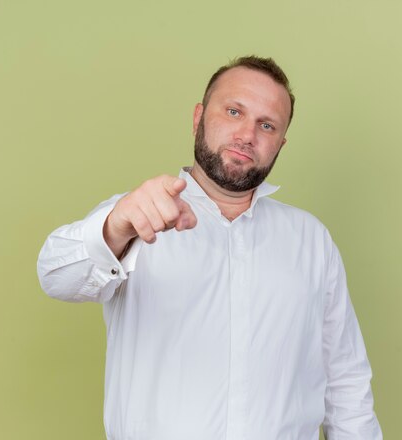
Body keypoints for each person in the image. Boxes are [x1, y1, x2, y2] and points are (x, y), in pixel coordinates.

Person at [37, 56, 382, 440]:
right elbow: (55, 276)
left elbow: (345, 380)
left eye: (266, 125)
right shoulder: (137, 214)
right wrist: (115, 227)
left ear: (280, 144)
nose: (247, 135)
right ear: (199, 117)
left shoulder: (311, 241)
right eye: (234, 111)